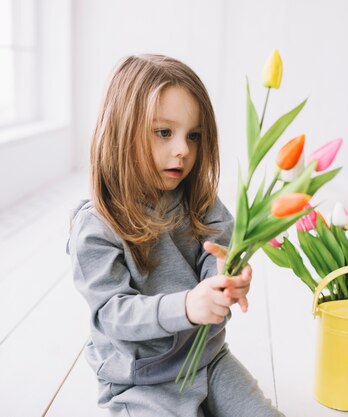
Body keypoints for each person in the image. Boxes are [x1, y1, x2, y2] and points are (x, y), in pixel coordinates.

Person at [66, 54, 285, 417]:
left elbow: (217, 258)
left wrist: (226, 281)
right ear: (121, 132)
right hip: (141, 380)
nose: (183, 149)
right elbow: (111, 312)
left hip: (209, 361)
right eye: (164, 132)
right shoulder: (97, 225)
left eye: (193, 136)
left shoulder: (200, 202)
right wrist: (186, 306)